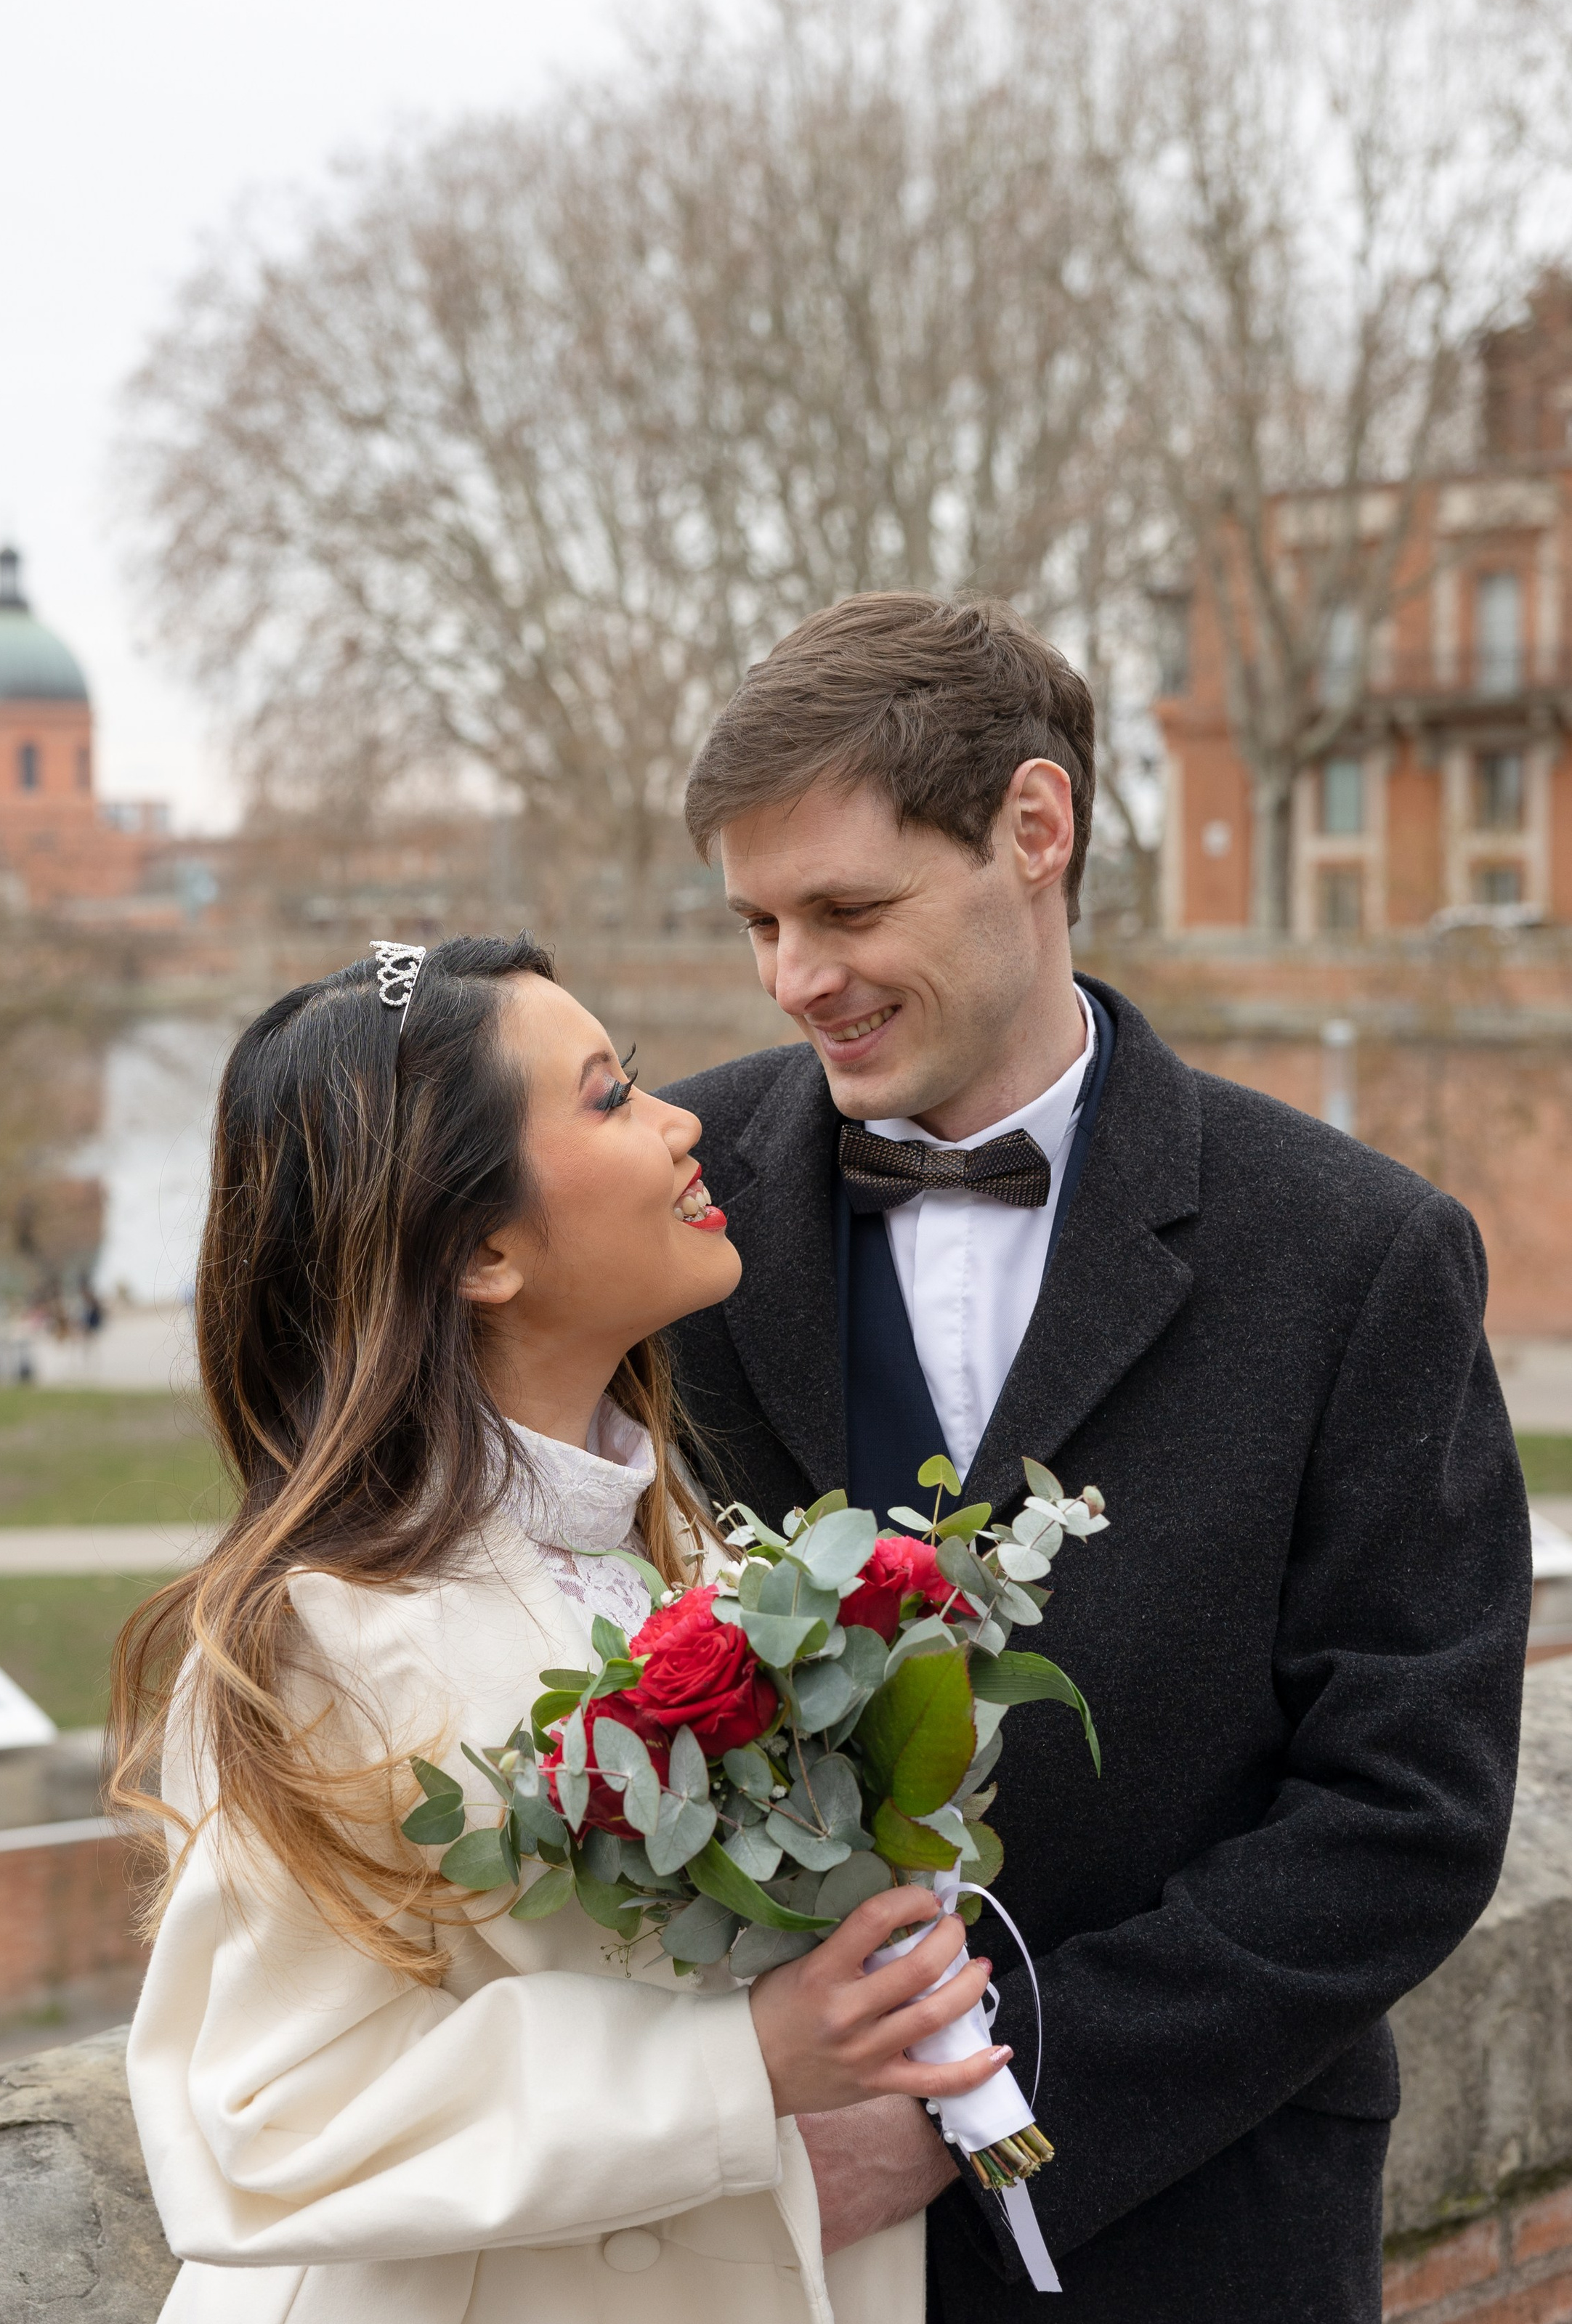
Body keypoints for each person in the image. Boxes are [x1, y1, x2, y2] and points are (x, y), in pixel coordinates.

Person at [656, 593, 1533, 2323]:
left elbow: (1407, 1811)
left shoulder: (1356, 1254)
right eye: (757, 920)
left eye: (846, 908)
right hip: (749, 2248)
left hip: (1200, 2232)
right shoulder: (665, 1208)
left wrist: (993, 2109)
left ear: (1032, 828)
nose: (792, 978)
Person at [113, 933, 1013, 2324]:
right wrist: (748, 2066)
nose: (682, 1121)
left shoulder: (699, 1563)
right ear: (480, 1249)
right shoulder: (326, 1635)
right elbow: (263, 2124)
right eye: (609, 1098)